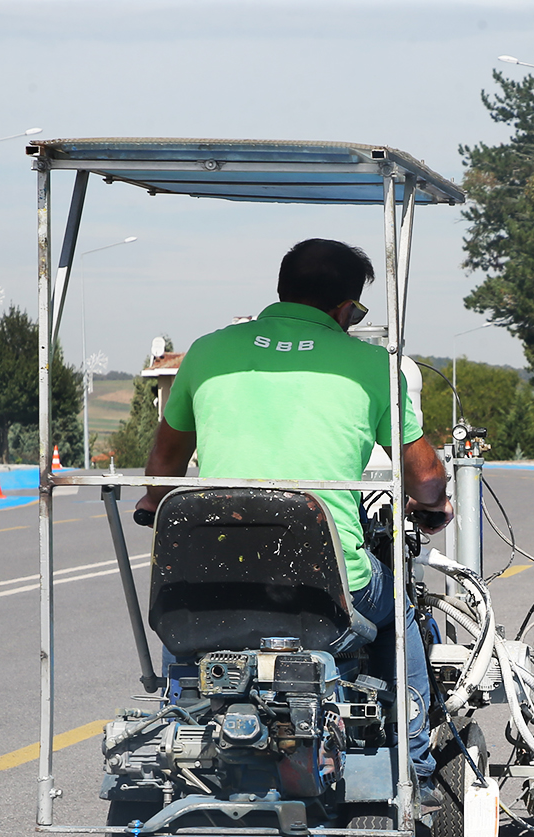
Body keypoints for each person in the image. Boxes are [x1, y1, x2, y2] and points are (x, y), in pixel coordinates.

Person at [134, 237, 451, 794]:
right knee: (397, 611)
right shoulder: (371, 365)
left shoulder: (207, 352)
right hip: (323, 591)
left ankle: (180, 724)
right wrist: (433, 505)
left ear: (282, 291)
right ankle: (416, 765)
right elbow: (425, 477)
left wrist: (154, 501)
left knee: (190, 607)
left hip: (216, 579)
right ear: (345, 309)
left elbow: (164, 464)